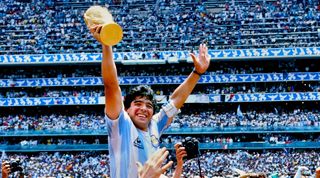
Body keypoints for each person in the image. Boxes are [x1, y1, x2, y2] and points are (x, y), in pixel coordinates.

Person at [89, 24, 210, 178]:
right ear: (126, 108)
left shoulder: (155, 125)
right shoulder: (120, 125)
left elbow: (175, 101)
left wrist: (197, 72)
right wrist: (107, 44)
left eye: (148, 105)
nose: (144, 109)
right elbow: (111, 86)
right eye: (137, 104)